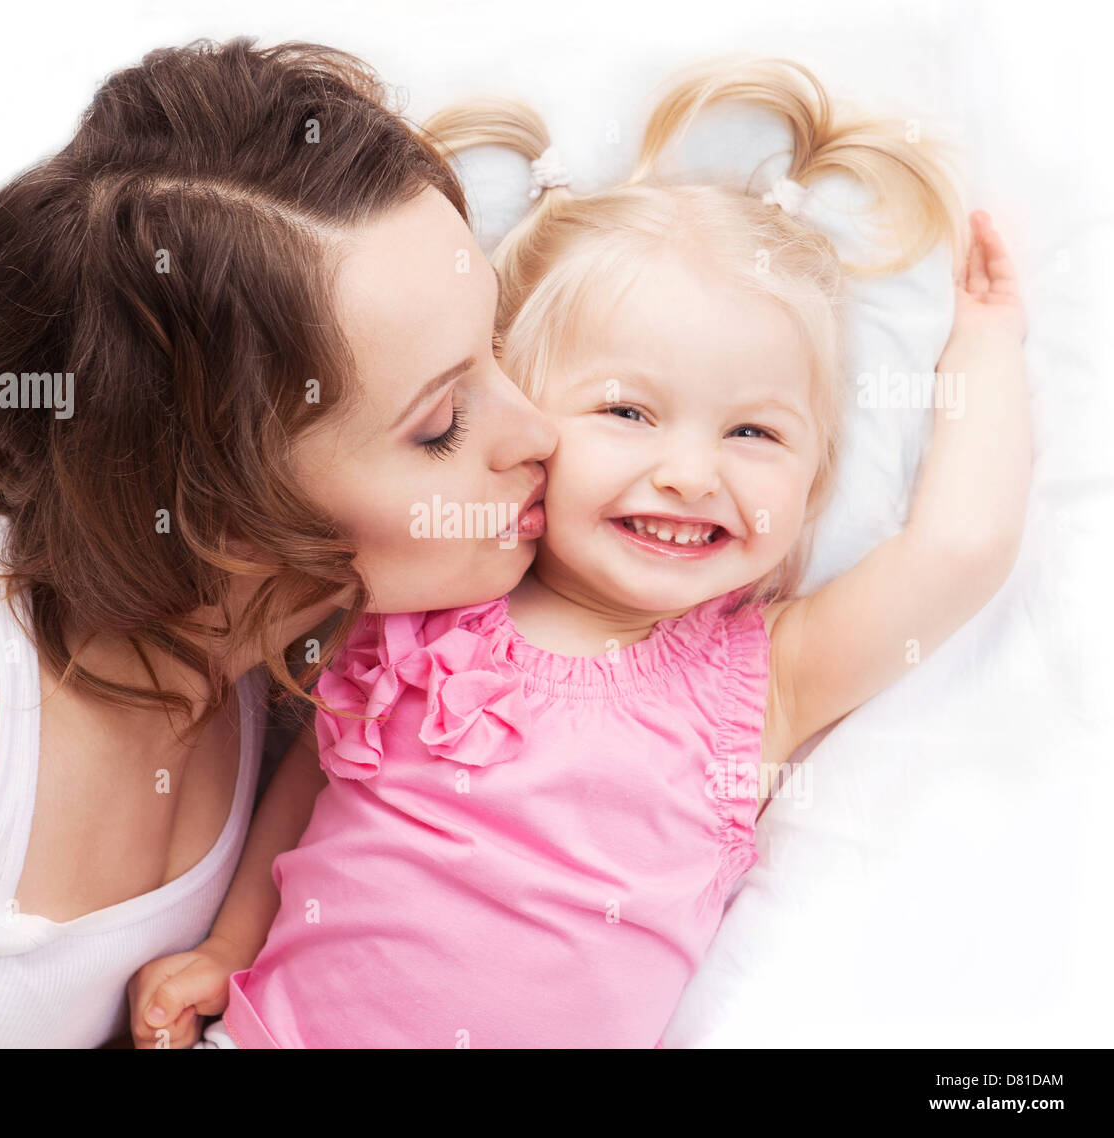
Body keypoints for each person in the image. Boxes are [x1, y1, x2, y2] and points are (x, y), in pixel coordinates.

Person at [132, 59, 1030, 1048]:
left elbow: (959, 547)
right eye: (628, 411)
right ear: (519, 418)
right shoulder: (418, 604)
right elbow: (314, 784)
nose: (689, 473)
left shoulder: (764, 676)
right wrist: (228, 947)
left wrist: (988, 340)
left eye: (754, 434)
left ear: (812, 483)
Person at [0, 36, 556, 1048]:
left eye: (498, 351)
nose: (540, 433)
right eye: (439, 426)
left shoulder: (301, 629)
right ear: (218, 502)